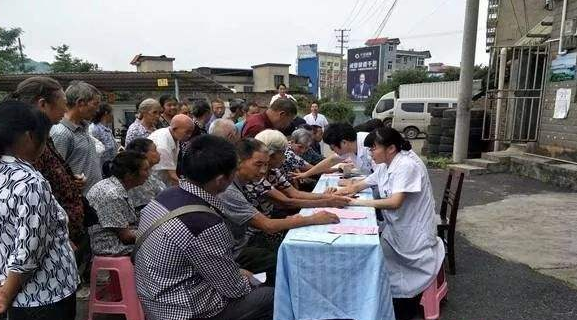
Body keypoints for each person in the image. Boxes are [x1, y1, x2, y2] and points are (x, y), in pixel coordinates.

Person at [134, 135, 274, 320]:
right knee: (270, 296)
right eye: (234, 170)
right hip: (182, 312)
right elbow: (234, 289)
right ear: (221, 180)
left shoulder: (165, 196)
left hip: (153, 300)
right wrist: (249, 281)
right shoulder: (204, 223)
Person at [336, 127, 445, 320]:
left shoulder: (406, 165)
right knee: (380, 259)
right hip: (398, 229)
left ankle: (403, 306)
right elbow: (367, 182)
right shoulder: (387, 164)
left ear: (391, 148)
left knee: (387, 267)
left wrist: (357, 202)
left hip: (413, 235)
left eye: (373, 149)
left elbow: (395, 202)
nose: (370, 153)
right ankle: (389, 301)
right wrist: (341, 193)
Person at [0, 101, 78, 320]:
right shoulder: (29, 181)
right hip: (41, 293)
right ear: (29, 137)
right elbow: (29, 247)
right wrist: (6, 295)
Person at [219, 138, 344, 257]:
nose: (263, 170)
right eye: (258, 164)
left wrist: (326, 200)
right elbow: (272, 220)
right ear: (239, 161)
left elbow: (293, 194)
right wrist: (315, 216)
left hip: (253, 233)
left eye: (265, 164)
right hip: (244, 243)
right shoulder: (229, 189)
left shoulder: (261, 175)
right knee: (286, 258)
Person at [5, 76, 86, 251]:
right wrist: (58, 239)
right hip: (50, 245)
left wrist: (70, 182)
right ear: (42, 104)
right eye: (63, 103)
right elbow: (31, 210)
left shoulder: (44, 137)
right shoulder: (26, 144)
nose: (66, 109)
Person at [87, 151, 150, 256]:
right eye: (145, 170)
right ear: (129, 175)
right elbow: (126, 237)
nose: (148, 174)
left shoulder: (113, 185)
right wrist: (153, 235)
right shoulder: (112, 195)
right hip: (111, 247)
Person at [50, 80, 102, 195]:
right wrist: (71, 181)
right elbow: (54, 173)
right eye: (95, 104)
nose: (98, 110)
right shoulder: (61, 133)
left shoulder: (84, 127)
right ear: (80, 103)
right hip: (79, 201)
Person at [291, 123, 375, 181]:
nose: (333, 151)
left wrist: (354, 184)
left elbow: (377, 176)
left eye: (333, 148)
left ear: (344, 142)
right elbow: (331, 160)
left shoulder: (370, 145)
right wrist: (306, 174)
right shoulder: (350, 145)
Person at [148, 114, 195, 186]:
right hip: (155, 184)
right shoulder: (163, 144)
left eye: (191, 132)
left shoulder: (175, 135)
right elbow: (172, 177)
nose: (189, 135)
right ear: (174, 129)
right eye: (187, 132)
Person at [125, 138, 167, 211]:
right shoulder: (139, 180)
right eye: (154, 150)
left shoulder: (151, 173)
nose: (159, 153)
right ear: (143, 154)